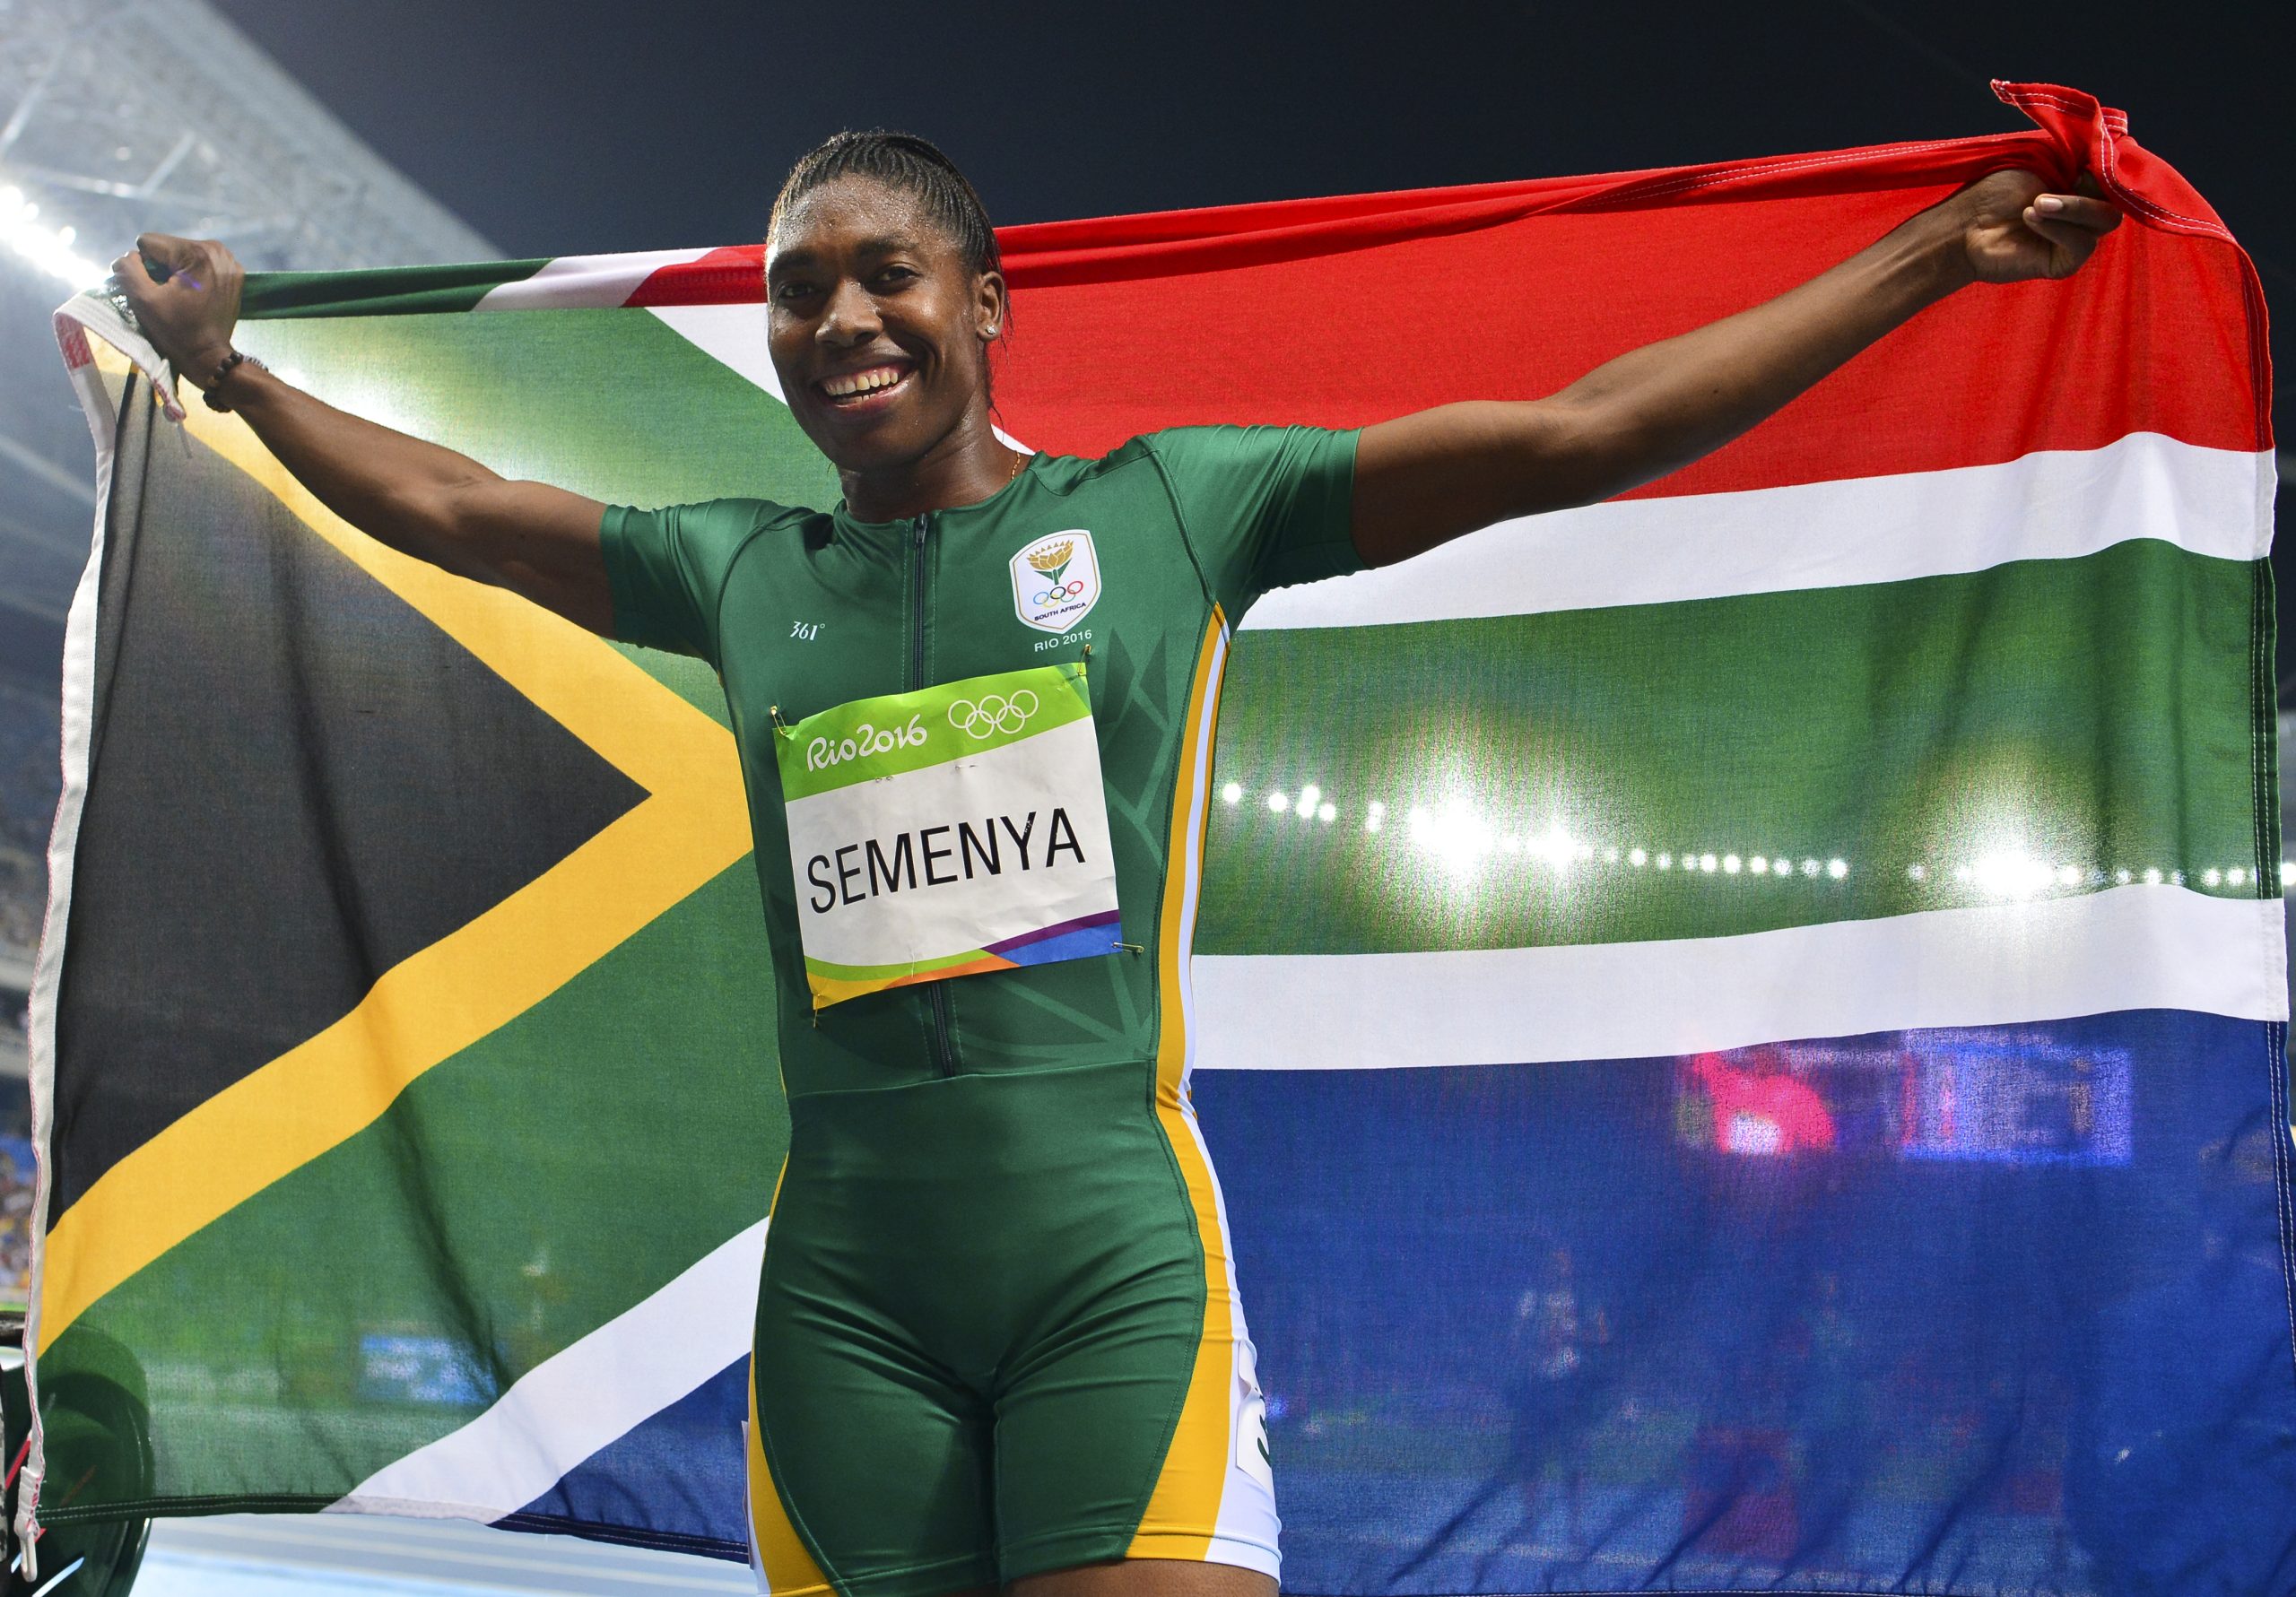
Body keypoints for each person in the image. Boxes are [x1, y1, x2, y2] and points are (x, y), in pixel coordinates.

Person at [110, 130, 2117, 1597]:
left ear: (984, 301)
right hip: (845, 1292)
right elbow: (457, 504)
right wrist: (233, 374)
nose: (838, 316)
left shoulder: (1175, 514)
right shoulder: (737, 575)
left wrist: (1933, 256)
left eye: (884, 269)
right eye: (801, 286)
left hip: (1104, 1260)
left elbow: (1577, 430)